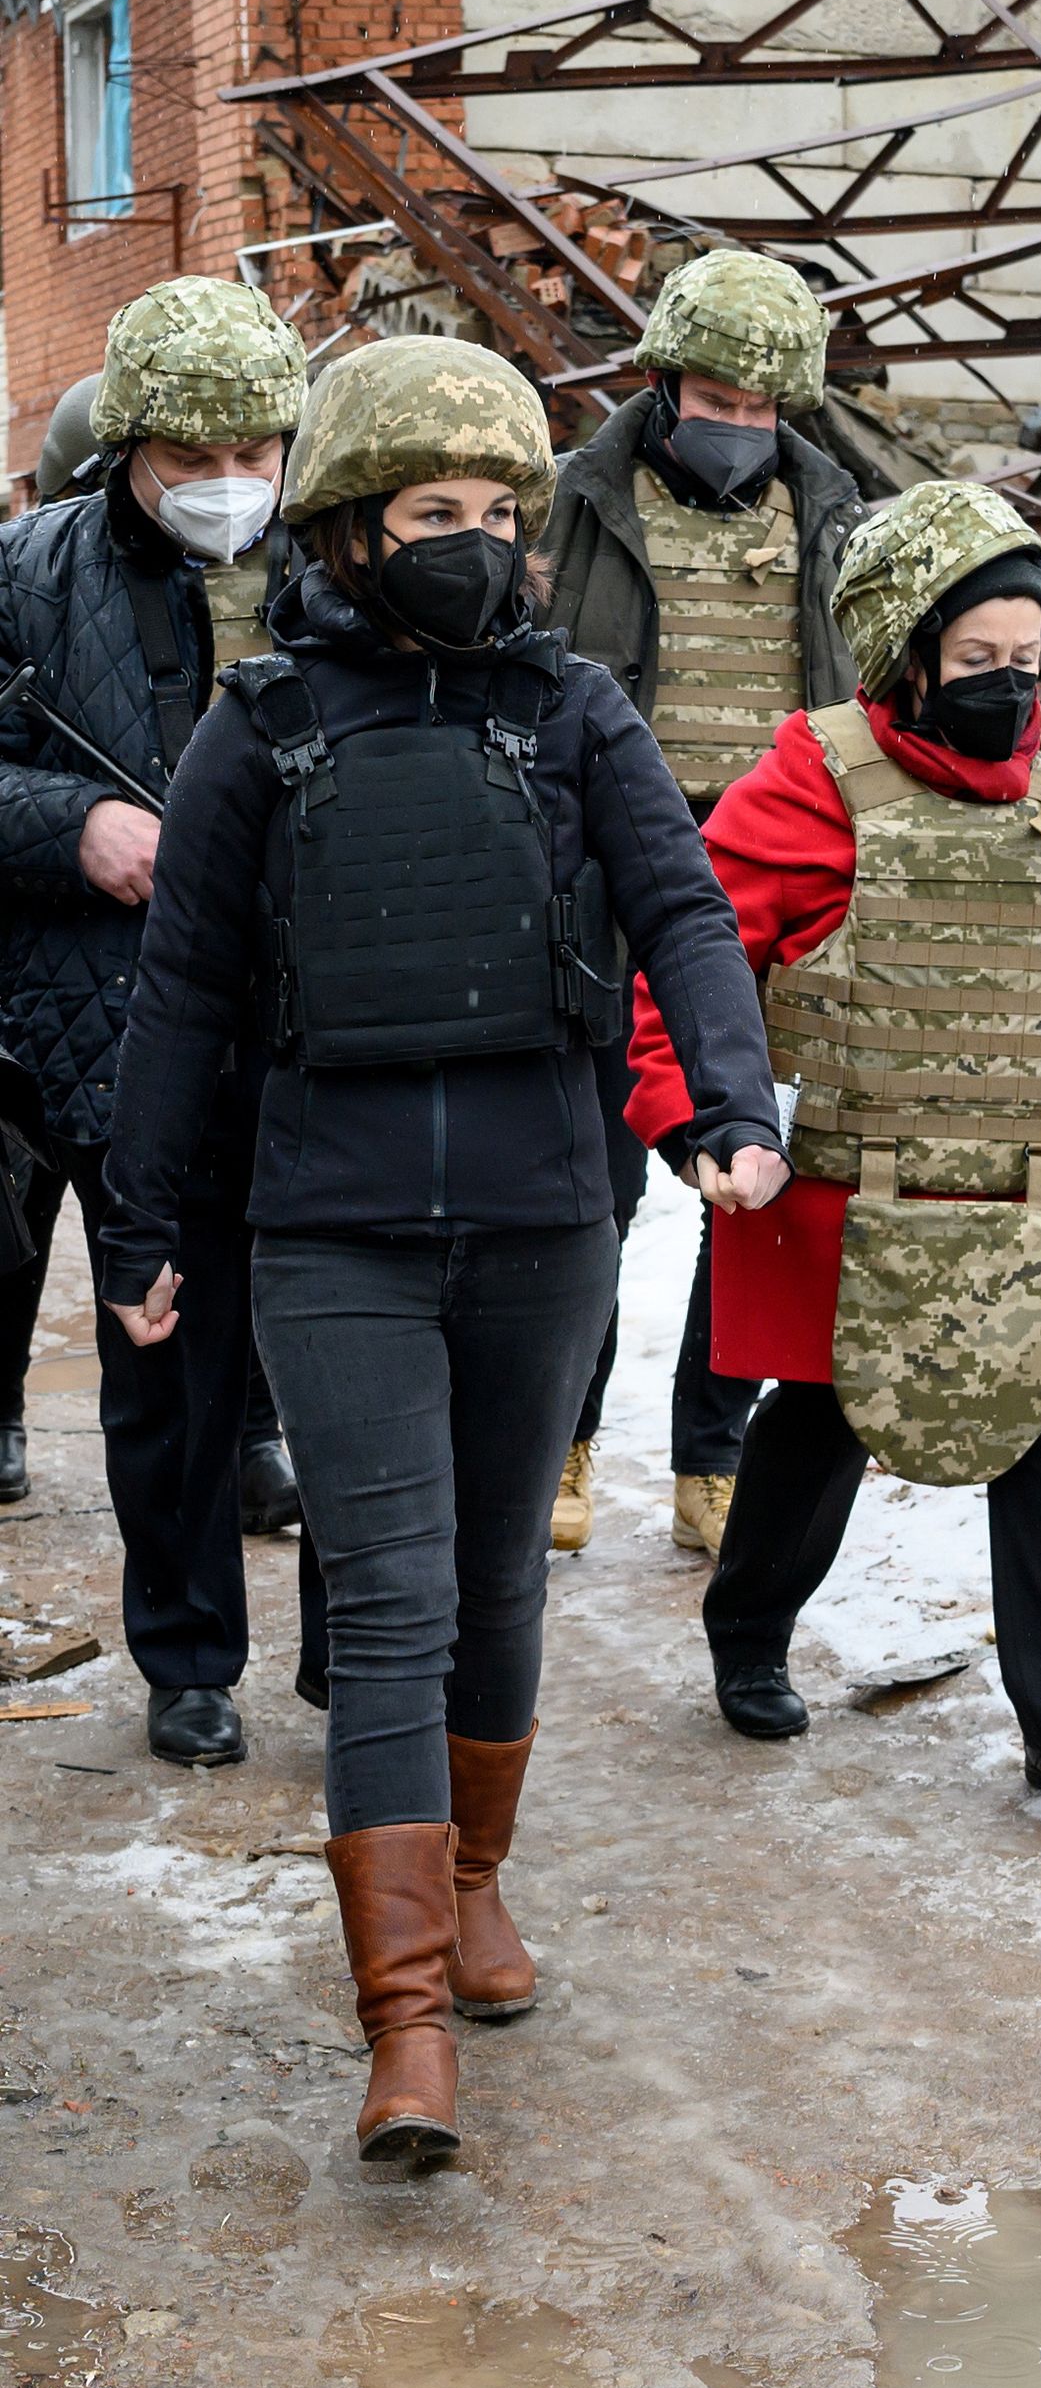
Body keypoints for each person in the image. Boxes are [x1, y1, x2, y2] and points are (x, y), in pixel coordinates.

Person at [98, 335, 786, 2171]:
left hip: (543, 1218)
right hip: (330, 1233)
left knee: (497, 1584)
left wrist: (728, 1104)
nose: (472, 540)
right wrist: (143, 1225)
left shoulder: (576, 714)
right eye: (431, 510)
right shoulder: (259, 728)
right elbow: (182, 995)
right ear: (348, 529)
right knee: (390, 1599)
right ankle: (402, 2024)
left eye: (498, 508)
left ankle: (474, 1883)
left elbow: (685, 913)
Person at [625, 481, 1041, 1831]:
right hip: (851, 1196)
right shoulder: (809, 779)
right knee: (822, 1423)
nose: (1008, 685)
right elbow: (688, 968)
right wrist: (697, 1121)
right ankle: (749, 1635)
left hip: (1038, 1195)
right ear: (905, 656)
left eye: (1026, 658)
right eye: (977, 657)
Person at [0, 283, 312, 1761]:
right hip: (114, 1019)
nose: (228, 481)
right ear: (126, 444)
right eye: (191, 457)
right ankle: (189, 1655)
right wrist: (73, 826)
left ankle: (361, 1661)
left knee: (344, 1348)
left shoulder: (336, 559)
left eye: (255, 449)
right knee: (165, 1358)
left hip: (317, 1025)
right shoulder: (28, 576)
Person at [538, 249, 866, 1557]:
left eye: (759, 404)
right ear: (664, 384)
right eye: (714, 398)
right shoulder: (574, 503)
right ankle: (562, 1443)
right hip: (610, 887)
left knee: (756, 1182)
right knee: (594, 1186)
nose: (736, 423)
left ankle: (712, 1459)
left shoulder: (833, 517)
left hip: (772, 895)